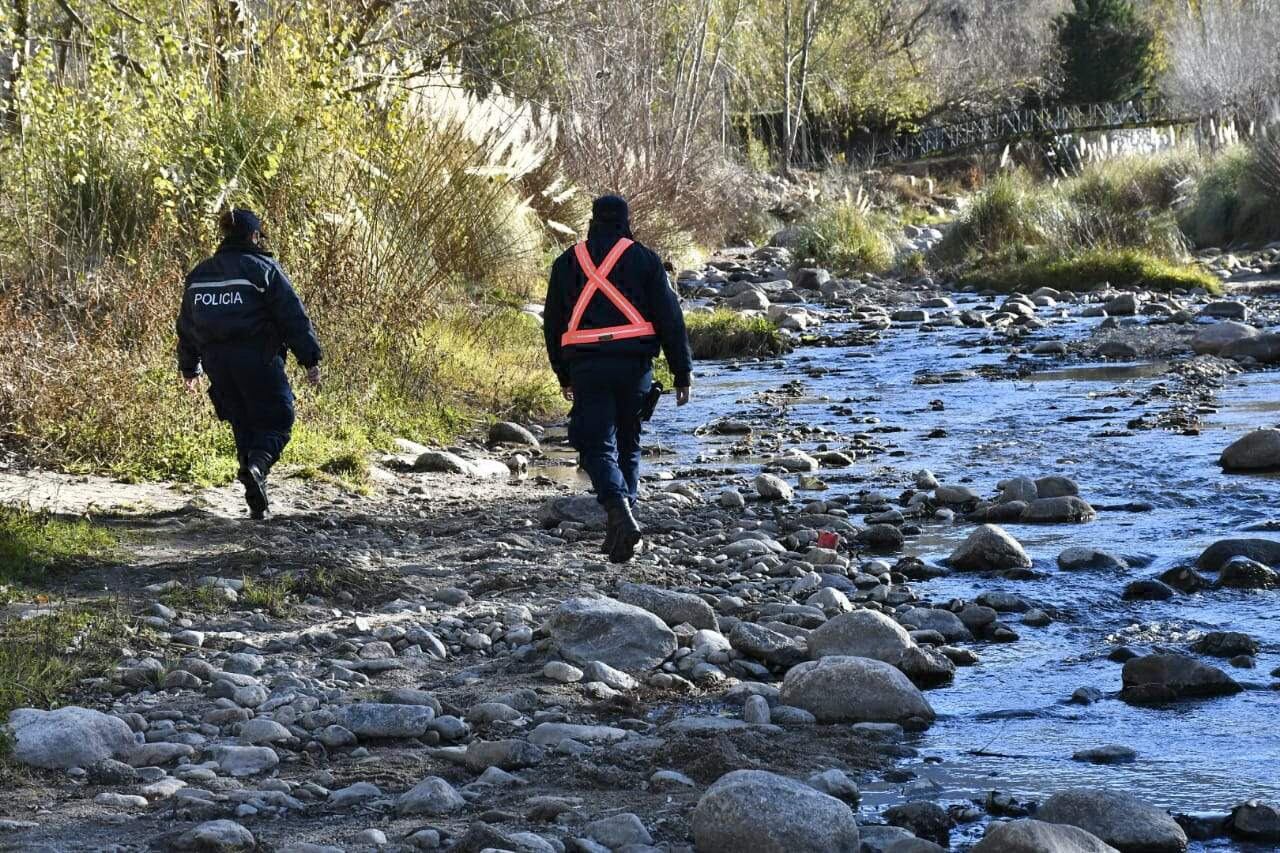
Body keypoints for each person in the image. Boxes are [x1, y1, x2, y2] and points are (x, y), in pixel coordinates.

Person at [544, 195, 693, 563]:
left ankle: (618, 515)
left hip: (587, 367)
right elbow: (670, 318)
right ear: (626, 221)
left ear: (592, 220)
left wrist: (562, 373)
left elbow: (552, 323)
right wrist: (682, 371)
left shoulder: (566, 262)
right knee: (628, 443)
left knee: (595, 445)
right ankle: (623, 522)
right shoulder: (644, 258)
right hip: (635, 366)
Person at [176, 208, 322, 519]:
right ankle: (257, 468)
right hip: (258, 359)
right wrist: (309, 359)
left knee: (243, 424)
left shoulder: (200, 274)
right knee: (277, 420)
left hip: (217, 363)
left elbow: (186, 325)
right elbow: (291, 315)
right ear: (254, 236)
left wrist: (190, 367)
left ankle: (258, 500)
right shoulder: (263, 269)